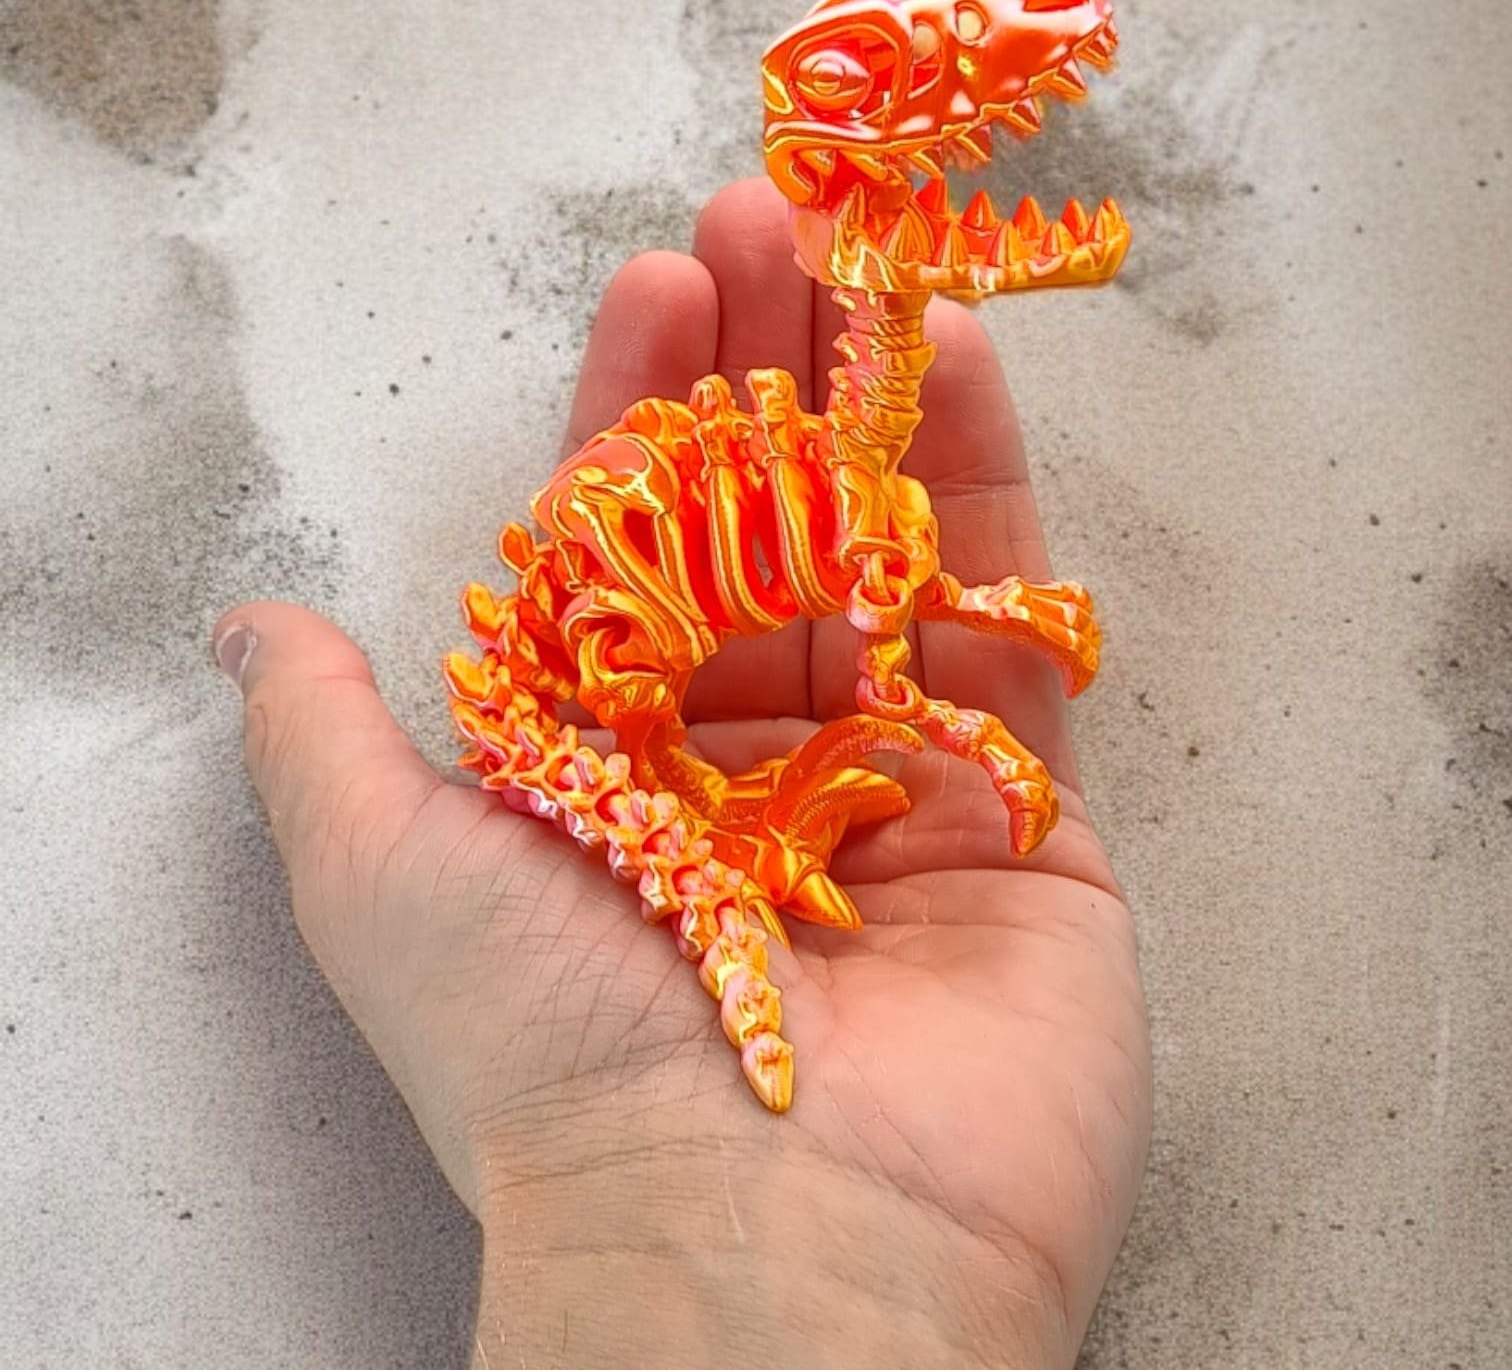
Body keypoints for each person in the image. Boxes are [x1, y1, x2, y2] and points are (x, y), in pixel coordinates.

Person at [212, 178, 1152, 1368]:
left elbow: (877, 615)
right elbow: (858, 651)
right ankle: (696, 812)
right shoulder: (689, 582)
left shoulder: (854, 485)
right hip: (629, 606)